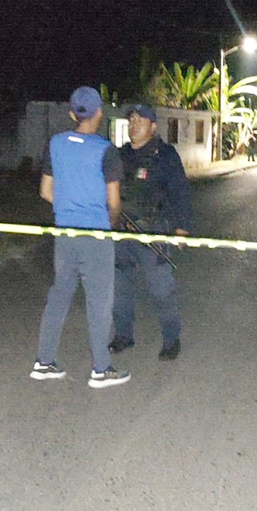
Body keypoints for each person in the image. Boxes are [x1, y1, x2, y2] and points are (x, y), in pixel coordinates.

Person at [31, 86, 131, 389]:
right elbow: (114, 202)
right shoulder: (105, 150)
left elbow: (46, 191)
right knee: (99, 301)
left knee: (59, 295)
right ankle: (101, 369)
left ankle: (44, 362)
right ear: (99, 113)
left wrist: (68, 208)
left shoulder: (56, 144)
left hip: (65, 235)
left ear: (73, 114)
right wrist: (109, 222)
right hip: (96, 235)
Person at [108, 104, 192, 362]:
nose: (133, 125)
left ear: (153, 126)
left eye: (140, 120)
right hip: (121, 233)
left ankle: (171, 339)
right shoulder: (119, 154)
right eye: (131, 120)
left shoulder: (165, 155)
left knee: (161, 290)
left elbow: (180, 191)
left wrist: (181, 227)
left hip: (153, 233)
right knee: (119, 289)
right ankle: (123, 335)